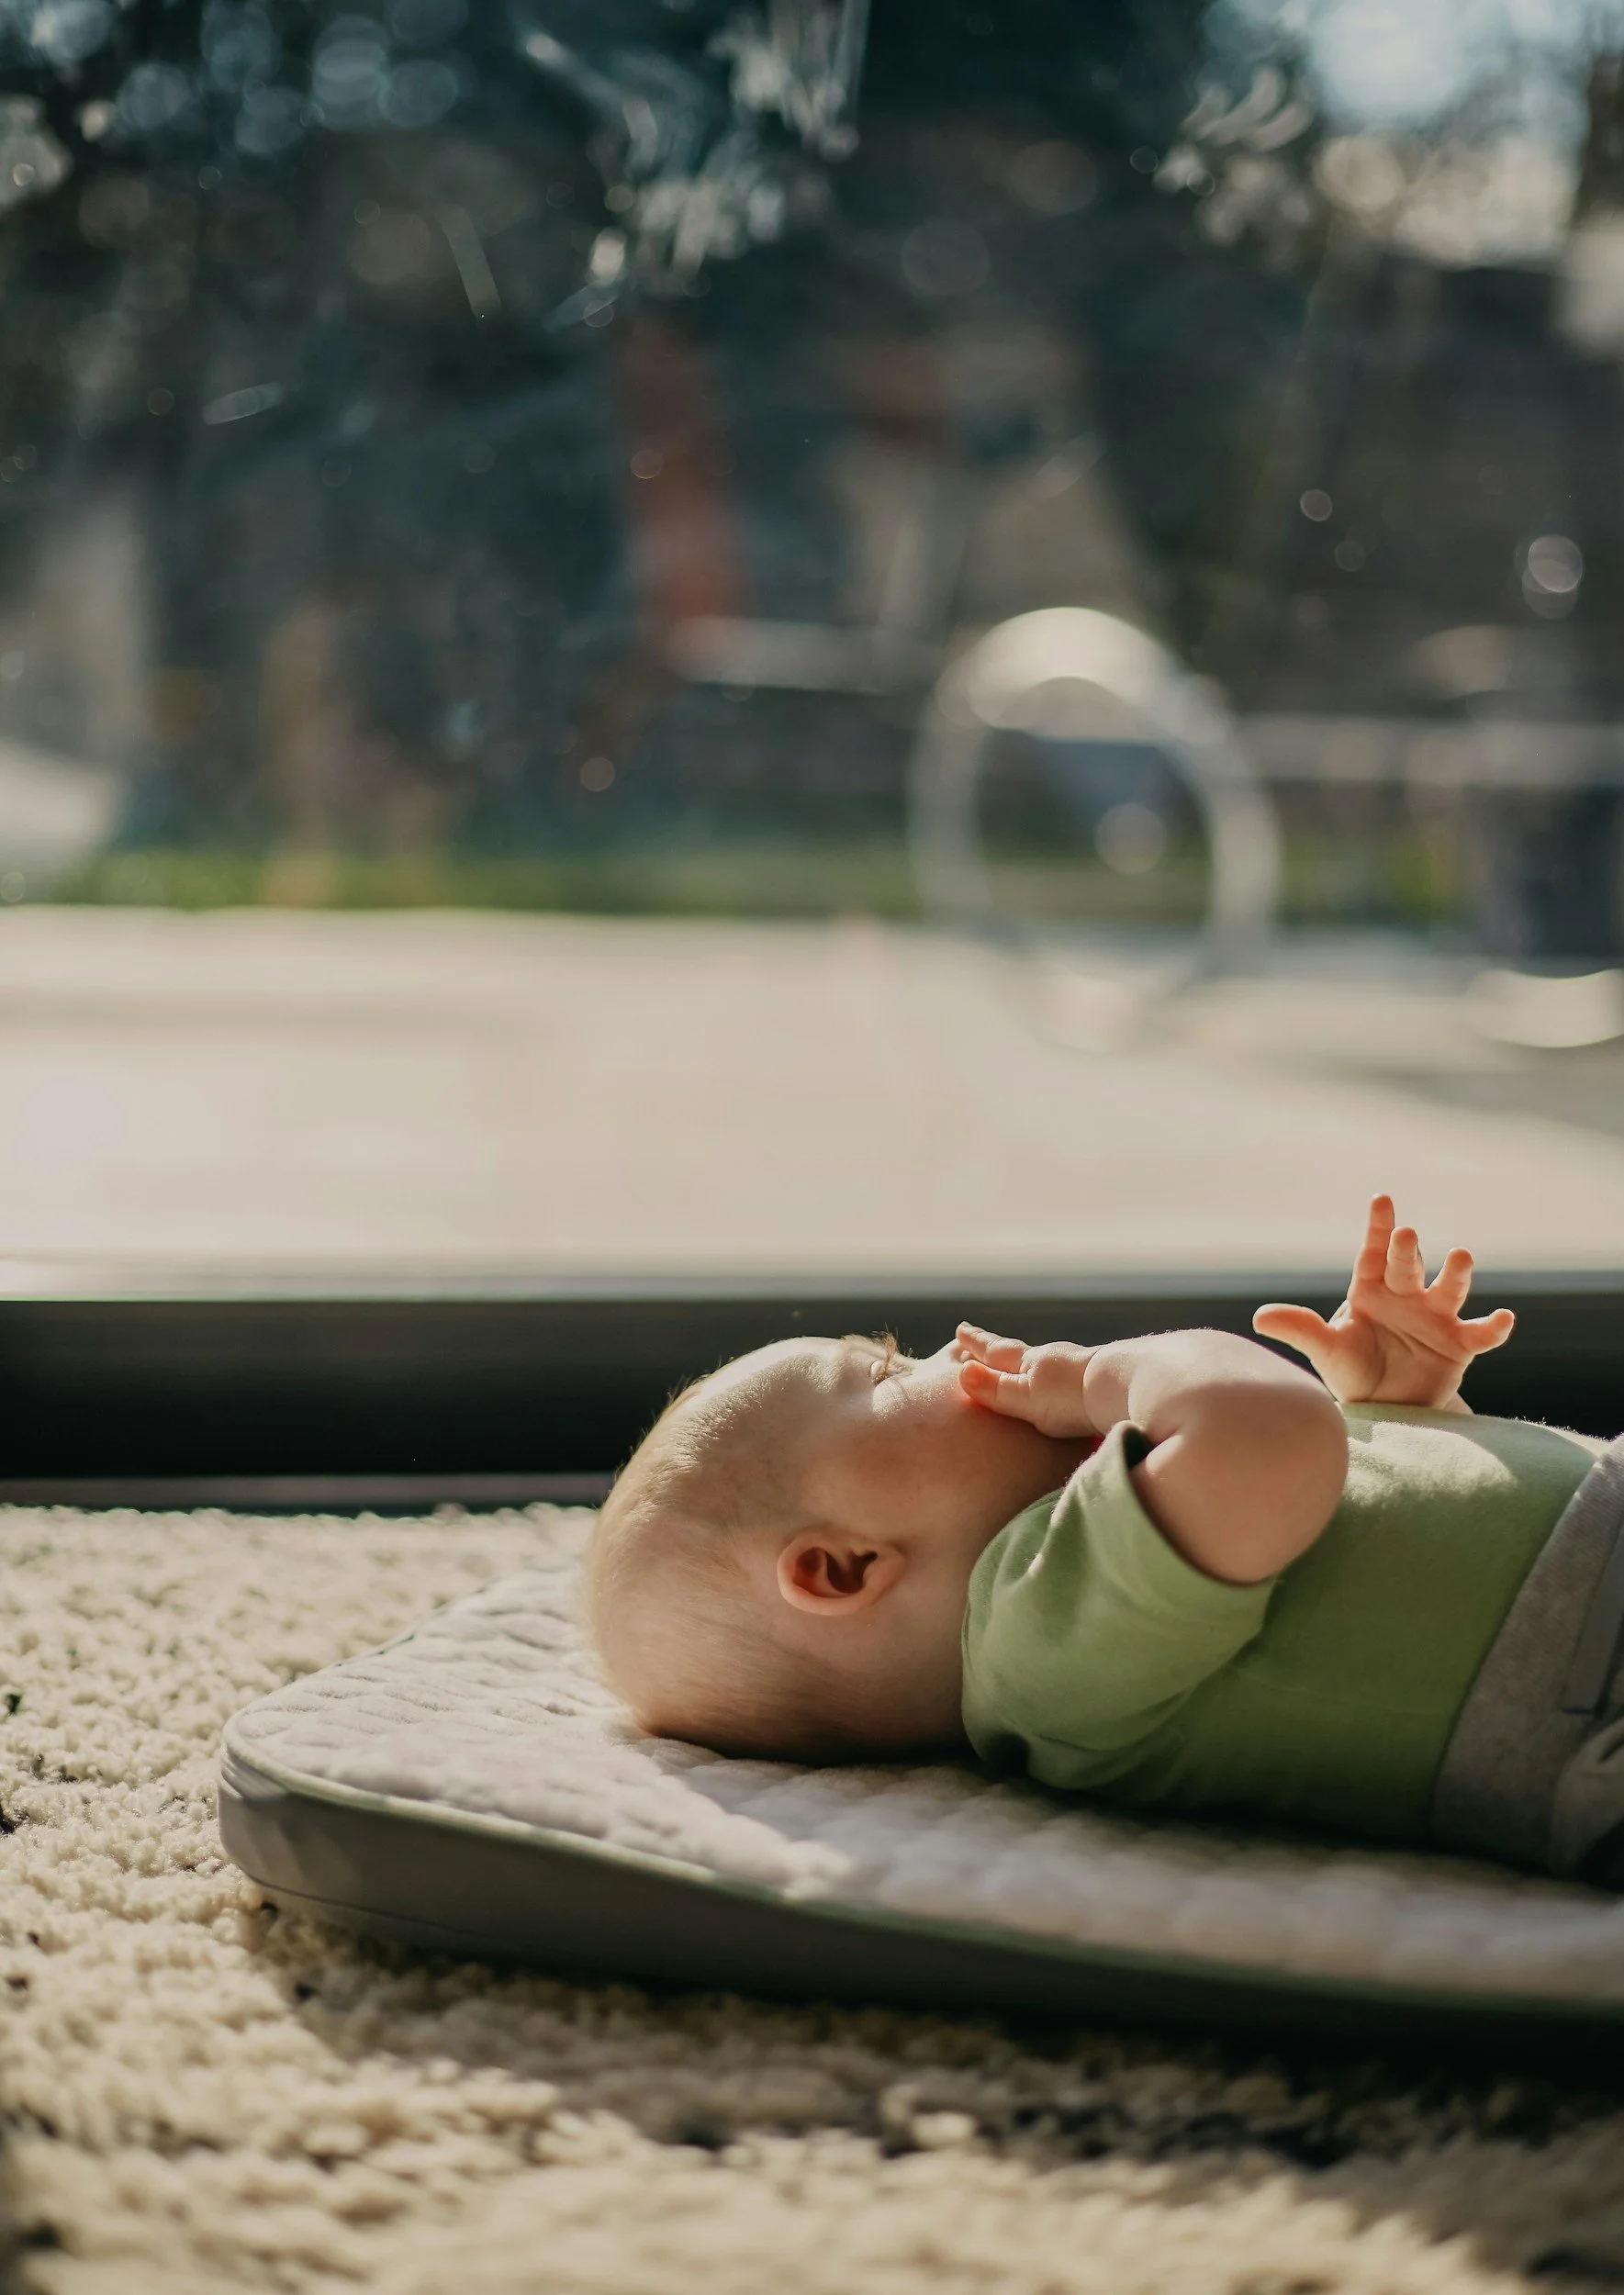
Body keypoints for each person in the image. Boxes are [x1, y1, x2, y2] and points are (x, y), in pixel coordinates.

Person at [587, 1196, 1624, 1883]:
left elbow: (1356, 1515)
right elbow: (1269, 1440)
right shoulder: (1037, 1640)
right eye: (890, 1372)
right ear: (843, 1567)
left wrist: (1397, 1402)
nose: (950, 1346)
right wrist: (1101, 1372)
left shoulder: (1108, 1524)